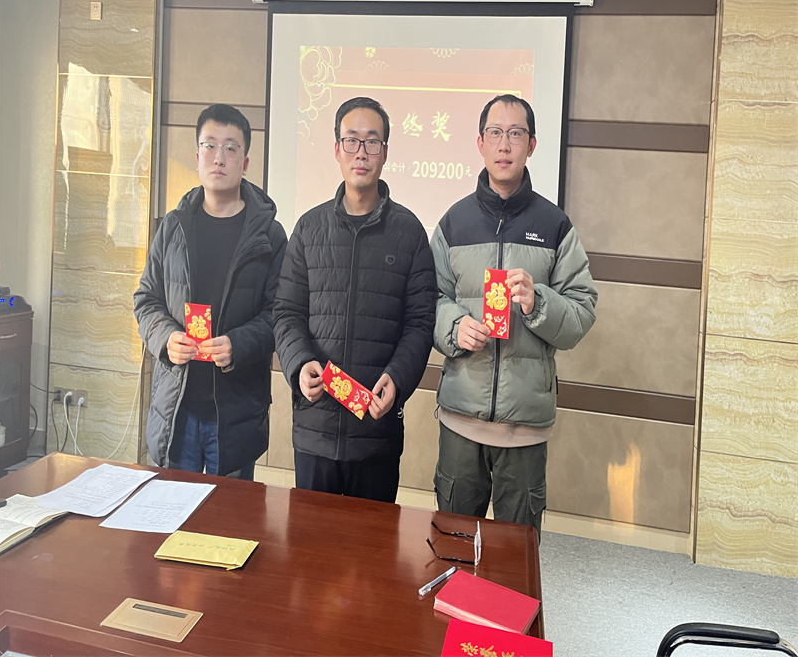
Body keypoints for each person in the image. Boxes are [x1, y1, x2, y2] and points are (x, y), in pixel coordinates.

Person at [431, 94, 597, 535]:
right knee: (453, 546)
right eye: (495, 133)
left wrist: (539, 301)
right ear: (480, 143)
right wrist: (453, 327)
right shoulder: (453, 223)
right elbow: (427, 300)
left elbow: (582, 311)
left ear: (532, 144)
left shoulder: (555, 225)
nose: (504, 145)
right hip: (461, 418)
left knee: (515, 557)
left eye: (516, 134)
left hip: (525, 427)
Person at [273, 96, 436, 503]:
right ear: (336, 149)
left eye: (372, 141)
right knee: (312, 539)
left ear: (385, 152)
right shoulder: (309, 229)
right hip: (316, 429)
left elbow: (420, 323)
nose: (361, 152)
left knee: (373, 542)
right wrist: (299, 364)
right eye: (351, 140)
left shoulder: (410, 232)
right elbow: (287, 312)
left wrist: (398, 379)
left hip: (376, 431)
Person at [134, 103, 286, 479]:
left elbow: (280, 314)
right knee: (172, 507)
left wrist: (238, 344)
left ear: (245, 162)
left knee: (230, 514)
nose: (219, 157)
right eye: (210, 145)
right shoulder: (173, 227)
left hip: (236, 411)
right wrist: (165, 338)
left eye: (231, 148)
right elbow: (146, 299)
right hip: (177, 406)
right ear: (198, 155)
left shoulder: (269, 235)